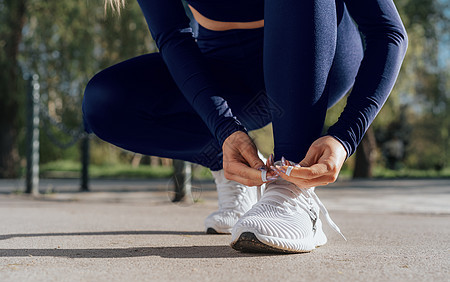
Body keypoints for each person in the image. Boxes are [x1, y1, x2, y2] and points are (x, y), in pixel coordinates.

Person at [82, 0, 407, 253]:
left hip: (320, 63)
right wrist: (225, 129)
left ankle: (292, 187)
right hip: (233, 82)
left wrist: (346, 135)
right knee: (106, 104)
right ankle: (236, 172)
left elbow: (388, 32)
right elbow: (173, 37)